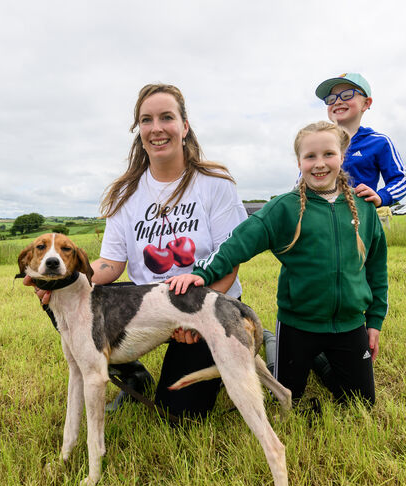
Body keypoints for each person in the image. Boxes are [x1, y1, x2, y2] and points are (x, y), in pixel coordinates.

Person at [25, 83, 247, 421]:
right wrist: (58, 277)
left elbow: (229, 262)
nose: (156, 128)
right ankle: (131, 374)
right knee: (72, 294)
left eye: (166, 117)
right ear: (138, 130)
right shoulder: (126, 193)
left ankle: (250, 340)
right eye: (146, 120)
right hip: (149, 306)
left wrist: (199, 316)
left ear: (184, 126)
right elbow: (110, 265)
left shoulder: (215, 183)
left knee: (179, 418)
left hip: (205, 302)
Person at [168, 121, 388, 407]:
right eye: (310, 157)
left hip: (349, 325)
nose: (319, 164)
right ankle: (274, 346)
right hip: (298, 325)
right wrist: (202, 273)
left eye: (328, 154)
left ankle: (320, 363)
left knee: (361, 404)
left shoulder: (365, 208)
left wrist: (374, 321)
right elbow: (238, 243)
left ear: (342, 157)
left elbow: (376, 268)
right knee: (286, 399)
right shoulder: (284, 207)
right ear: (299, 161)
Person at [314, 72, 406, 208]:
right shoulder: (316, 142)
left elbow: (403, 179)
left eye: (347, 95)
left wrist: (382, 196)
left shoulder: (378, 142)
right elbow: (301, 181)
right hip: (320, 218)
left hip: (360, 220)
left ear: (366, 103)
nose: (337, 102)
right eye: (331, 99)